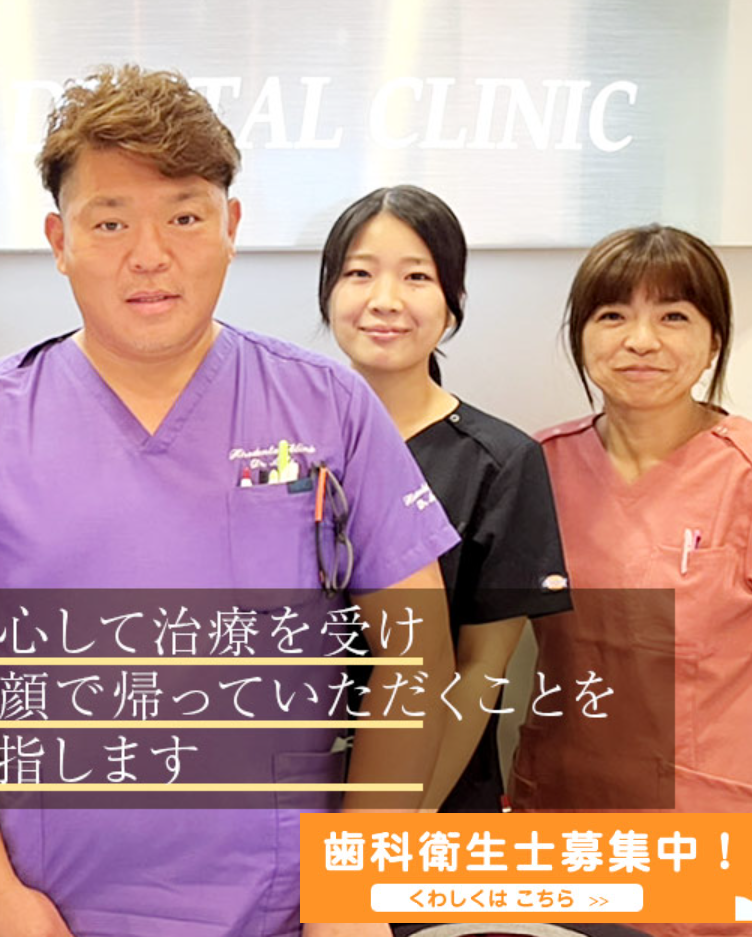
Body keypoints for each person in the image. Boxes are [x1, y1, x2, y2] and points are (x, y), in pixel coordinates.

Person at [0, 65, 460, 937]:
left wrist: (356, 888)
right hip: (42, 912)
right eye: (110, 221)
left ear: (231, 227)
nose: (149, 255)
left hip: (286, 915)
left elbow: (419, 653)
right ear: (59, 239)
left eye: (184, 217)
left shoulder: (328, 407)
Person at [512, 225, 752, 935]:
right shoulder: (536, 468)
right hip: (566, 820)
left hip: (718, 840)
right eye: (613, 315)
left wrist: (743, 767)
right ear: (581, 336)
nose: (641, 341)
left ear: (714, 338)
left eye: (673, 316)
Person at [317, 185, 571, 812]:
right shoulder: (281, 445)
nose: (385, 300)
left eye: (416, 277)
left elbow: (481, 666)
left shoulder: (500, 462)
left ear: (451, 306)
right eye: (359, 274)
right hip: (286, 785)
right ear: (329, 295)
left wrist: (404, 819)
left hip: (433, 799)